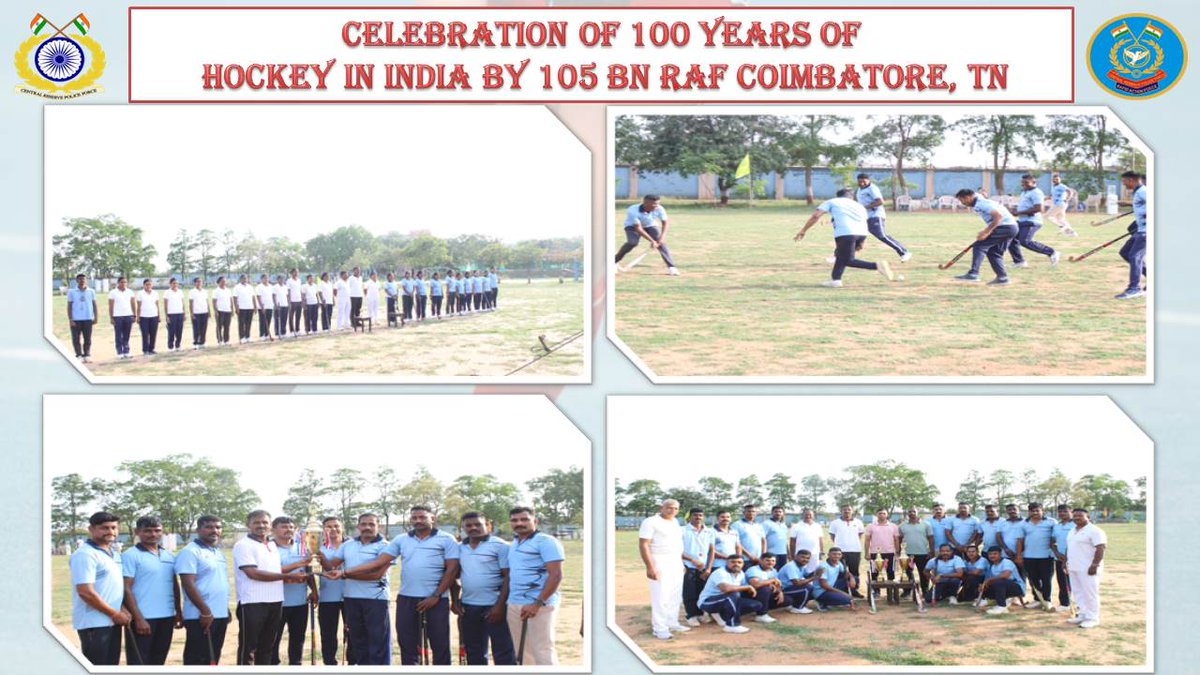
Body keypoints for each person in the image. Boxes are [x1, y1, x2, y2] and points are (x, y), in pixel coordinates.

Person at [336, 506, 460, 665]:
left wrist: (436, 595)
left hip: (436, 598)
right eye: (414, 518)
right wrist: (345, 572)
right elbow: (379, 562)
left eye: (422, 517)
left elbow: (452, 570)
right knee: (407, 644)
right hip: (406, 598)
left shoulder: (447, 539)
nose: (418, 521)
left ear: (433, 518)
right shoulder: (402, 539)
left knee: (439, 643)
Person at [233, 510, 305, 665]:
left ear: (269, 526)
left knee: (267, 647)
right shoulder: (243, 545)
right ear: (248, 525)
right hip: (252, 603)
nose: (261, 525)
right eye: (256, 522)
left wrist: (301, 565)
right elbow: (253, 573)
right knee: (249, 648)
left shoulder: (271, 545)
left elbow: (276, 570)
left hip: (276, 601)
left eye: (265, 522)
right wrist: (289, 577)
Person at [323, 513, 394, 665]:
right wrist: (316, 553)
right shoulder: (348, 545)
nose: (367, 527)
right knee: (357, 641)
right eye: (363, 524)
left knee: (378, 641)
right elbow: (331, 566)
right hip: (351, 599)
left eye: (371, 524)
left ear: (378, 526)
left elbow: (377, 575)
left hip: (376, 600)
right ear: (358, 526)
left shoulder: (386, 546)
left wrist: (344, 574)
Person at [795, 189, 896, 287]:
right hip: (862, 232)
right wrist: (862, 242)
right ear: (851, 197)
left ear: (838, 196)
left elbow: (816, 216)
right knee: (840, 255)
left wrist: (803, 230)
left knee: (848, 260)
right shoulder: (859, 205)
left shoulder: (832, 201)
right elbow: (864, 221)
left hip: (845, 233)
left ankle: (876, 266)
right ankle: (836, 280)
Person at [453, 512, 517, 665]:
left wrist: (500, 606)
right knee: (474, 651)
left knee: (503, 651)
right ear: (463, 528)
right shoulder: (459, 548)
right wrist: (455, 601)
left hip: (494, 607)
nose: (473, 528)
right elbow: (454, 575)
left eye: (478, 524)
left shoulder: (500, 546)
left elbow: (508, 577)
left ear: (488, 525)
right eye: (468, 525)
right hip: (469, 606)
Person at [505, 507, 564, 665]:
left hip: (539, 604)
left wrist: (537, 603)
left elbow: (556, 575)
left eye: (524, 519)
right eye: (515, 520)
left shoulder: (546, 541)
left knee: (543, 649)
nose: (519, 523)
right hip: (515, 603)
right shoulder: (515, 543)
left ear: (535, 521)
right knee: (522, 651)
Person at [70, 512, 130, 665]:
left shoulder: (114, 553)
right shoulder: (85, 555)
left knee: (111, 665)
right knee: (97, 666)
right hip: (94, 623)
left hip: (112, 621)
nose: (110, 532)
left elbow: (111, 587)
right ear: (91, 529)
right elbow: (85, 592)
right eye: (104, 528)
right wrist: (114, 614)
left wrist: (121, 609)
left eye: (113, 528)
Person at [121, 516, 181, 665]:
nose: (153, 534)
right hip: (143, 618)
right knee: (139, 662)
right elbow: (125, 587)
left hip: (167, 617)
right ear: (137, 532)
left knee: (158, 660)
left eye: (157, 531)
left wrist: (178, 611)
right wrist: (139, 618)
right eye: (147, 531)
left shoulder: (168, 555)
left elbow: (174, 584)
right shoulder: (130, 555)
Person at [176, 515, 231, 665]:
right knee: (197, 658)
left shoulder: (217, 552)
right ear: (198, 530)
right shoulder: (190, 552)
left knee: (213, 657)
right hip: (199, 616)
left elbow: (217, 582)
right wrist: (205, 611)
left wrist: (224, 608)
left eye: (218, 527)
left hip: (219, 614)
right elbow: (188, 584)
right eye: (209, 527)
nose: (214, 530)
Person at [638, 499, 688, 640]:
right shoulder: (651, 522)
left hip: (675, 560)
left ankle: (672, 622)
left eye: (676, 508)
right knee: (661, 595)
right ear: (662, 508)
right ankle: (659, 628)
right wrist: (650, 566)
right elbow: (644, 544)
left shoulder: (675, 522)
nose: (672, 511)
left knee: (675, 594)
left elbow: (677, 544)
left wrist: (681, 563)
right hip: (659, 559)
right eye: (669, 508)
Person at [271, 517, 318, 665]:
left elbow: (309, 570)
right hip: (276, 602)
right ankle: (273, 665)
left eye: (291, 527)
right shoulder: (268, 548)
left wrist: (314, 591)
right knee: (273, 638)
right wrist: (295, 570)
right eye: (284, 527)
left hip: (299, 601)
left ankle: (296, 665)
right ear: (274, 530)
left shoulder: (302, 547)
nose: (288, 530)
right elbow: (270, 571)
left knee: (298, 638)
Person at [952, 188, 1020, 285]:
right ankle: (1002, 278)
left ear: (968, 197)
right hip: (1012, 228)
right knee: (994, 252)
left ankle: (973, 274)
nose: (962, 203)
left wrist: (986, 232)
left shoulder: (982, 203)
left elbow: (998, 217)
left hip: (1005, 227)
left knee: (979, 246)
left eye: (962, 200)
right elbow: (978, 195)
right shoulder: (977, 199)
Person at [616, 194, 680, 276]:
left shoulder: (659, 208)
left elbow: (665, 223)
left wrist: (661, 238)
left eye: (657, 204)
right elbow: (638, 228)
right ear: (645, 203)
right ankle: (614, 261)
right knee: (632, 243)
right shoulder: (632, 210)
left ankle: (672, 268)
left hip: (650, 225)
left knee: (662, 244)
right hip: (632, 227)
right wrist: (652, 241)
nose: (656, 206)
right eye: (654, 205)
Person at [314, 517, 348, 666]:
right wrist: (322, 574)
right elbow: (314, 570)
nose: (333, 529)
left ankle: (353, 662)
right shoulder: (317, 548)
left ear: (342, 528)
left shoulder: (352, 545)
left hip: (351, 595)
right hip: (328, 596)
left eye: (336, 526)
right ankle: (330, 664)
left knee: (352, 632)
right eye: (328, 527)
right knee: (328, 634)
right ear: (323, 530)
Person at [1066, 508, 1107, 629]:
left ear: (1088, 517)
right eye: (1075, 516)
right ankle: (1083, 614)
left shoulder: (1094, 531)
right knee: (1078, 592)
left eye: (1080, 516)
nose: (1077, 518)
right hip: (1074, 566)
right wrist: (1065, 562)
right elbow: (1069, 546)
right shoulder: (1072, 530)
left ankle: (1092, 618)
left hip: (1088, 568)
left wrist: (1095, 565)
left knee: (1090, 593)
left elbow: (1101, 548)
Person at [1008, 173, 1060, 268]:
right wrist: (1014, 210)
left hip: (1032, 221)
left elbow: (1038, 209)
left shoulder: (1036, 192)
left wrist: (1018, 213)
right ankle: (1019, 262)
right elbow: (1026, 206)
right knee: (1010, 238)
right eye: (1022, 183)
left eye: (1026, 182)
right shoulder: (1025, 192)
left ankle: (1052, 252)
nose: (1023, 184)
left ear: (1034, 182)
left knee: (1025, 241)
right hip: (1022, 221)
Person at [696, 555, 759, 633]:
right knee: (733, 595)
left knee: (755, 605)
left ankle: (722, 615)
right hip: (707, 601)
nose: (736, 564)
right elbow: (725, 589)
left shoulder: (741, 574)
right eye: (733, 562)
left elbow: (745, 587)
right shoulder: (720, 572)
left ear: (743, 564)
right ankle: (732, 625)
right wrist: (748, 587)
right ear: (727, 563)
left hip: (726, 600)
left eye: (739, 562)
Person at [856, 173, 910, 260]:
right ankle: (840, 255)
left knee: (882, 236)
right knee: (852, 234)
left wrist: (865, 207)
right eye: (860, 182)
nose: (862, 183)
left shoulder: (872, 189)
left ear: (869, 180)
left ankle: (904, 252)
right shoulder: (859, 189)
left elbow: (880, 201)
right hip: (865, 217)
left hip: (876, 216)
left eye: (864, 181)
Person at [1115, 170, 1148, 300]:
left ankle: (1134, 288)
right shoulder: (1139, 192)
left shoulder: (1143, 192)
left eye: (1124, 182)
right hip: (1140, 230)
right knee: (1125, 253)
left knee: (1135, 256)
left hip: (1146, 231)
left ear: (1131, 181)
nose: (1124, 185)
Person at [680, 508, 714, 627]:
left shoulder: (709, 531)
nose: (698, 517)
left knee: (701, 591)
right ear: (690, 516)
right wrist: (692, 560)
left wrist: (709, 568)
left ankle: (700, 613)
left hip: (703, 568)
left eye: (700, 515)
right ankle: (691, 615)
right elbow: (677, 550)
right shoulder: (683, 530)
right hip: (688, 566)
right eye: (695, 515)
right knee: (689, 592)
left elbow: (712, 551)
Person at [1021, 502, 1057, 611]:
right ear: (1029, 512)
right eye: (1032, 511)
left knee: (1046, 580)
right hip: (1029, 556)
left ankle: (1047, 600)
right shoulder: (1024, 523)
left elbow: (1054, 538)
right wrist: (1019, 554)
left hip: (1046, 556)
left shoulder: (1051, 522)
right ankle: (1037, 599)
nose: (1035, 513)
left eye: (1037, 510)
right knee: (1033, 580)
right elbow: (1020, 540)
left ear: (1042, 511)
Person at [828, 505, 865, 598]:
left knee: (854, 571)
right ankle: (841, 591)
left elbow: (860, 535)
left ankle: (854, 590)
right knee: (840, 571)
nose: (847, 511)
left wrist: (852, 543)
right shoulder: (835, 523)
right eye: (844, 510)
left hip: (855, 550)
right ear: (841, 511)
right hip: (839, 552)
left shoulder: (858, 522)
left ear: (852, 511)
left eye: (849, 509)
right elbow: (832, 536)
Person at [979, 546, 1026, 615]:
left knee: (1000, 581)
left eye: (995, 554)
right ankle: (986, 600)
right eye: (990, 554)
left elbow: (1005, 575)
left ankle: (1001, 606)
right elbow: (988, 580)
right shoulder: (992, 566)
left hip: (1016, 587)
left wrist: (989, 580)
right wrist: (983, 585)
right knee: (986, 585)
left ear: (1000, 554)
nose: (992, 556)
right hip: (1004, 587)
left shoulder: (1006, 562)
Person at [899, 507, 934, 597]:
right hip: (907, 554)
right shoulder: (903, 526)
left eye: (914, 511)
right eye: (909, 511)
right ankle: (907, 590)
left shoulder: (926, 524)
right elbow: (899, 539)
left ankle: (925, 590)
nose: (911, 513)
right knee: (907, 572)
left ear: (918, 513)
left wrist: (931, 550)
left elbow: (930, 538)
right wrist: (899, 551)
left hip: (922, 553)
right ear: (907, 514)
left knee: (923, 573)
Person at [744, 553, 785, 622]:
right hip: (750, 594)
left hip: (766, 594)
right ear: (760, 561)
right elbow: (755, 585)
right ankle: (761, 615)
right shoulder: (753, 570)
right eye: (767, 560)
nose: (770, 563)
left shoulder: (773, 570)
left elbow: (777, 584)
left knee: (787, 600)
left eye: (773, 561)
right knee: (764, 589)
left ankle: (761, 608)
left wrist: (780, 592)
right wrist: (771, 581)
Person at [864, 509, 900, 588]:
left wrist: (897, 552)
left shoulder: (893, 526)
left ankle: (891, 591)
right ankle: (876, 591)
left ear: (887, 515)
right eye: (880, 513)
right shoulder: (871, 526)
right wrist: (866, 553)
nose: (882, 515)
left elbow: (896, 540)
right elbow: (867, 540)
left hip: (890, 553)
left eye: (884, 513)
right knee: (874, 572)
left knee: (891, 572)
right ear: (876, 514)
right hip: (875, 553)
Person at [67, 274, 98, 362]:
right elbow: (69, 306)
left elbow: (94, 305)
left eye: (83, 279)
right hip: (76, 319)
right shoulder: (72, 291)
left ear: (86, 280)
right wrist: (70, 319)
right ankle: (79, 355)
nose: (82, 281)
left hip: (88, 318)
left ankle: (87, 355)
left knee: (87, 338)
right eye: (80, 279)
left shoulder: (91, 291)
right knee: (76, 338)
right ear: (77, 281)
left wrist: (96, 317)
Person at [1050, 504, 1074, 613]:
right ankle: (1064, 603)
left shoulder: (1076, 524)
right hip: (1059, 558)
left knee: (1076, 581)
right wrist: (1056, 553)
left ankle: (1079, 603)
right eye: (1060, 512)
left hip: (1075, 557)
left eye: (1065, 511)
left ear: (1071, 511)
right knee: (1062, 581)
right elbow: (1052, 542)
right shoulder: (1057, 526)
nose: (1062, 514)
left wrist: (1067, 556)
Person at [787, 508, 824, 577]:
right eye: (806, 514)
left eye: (810, 515)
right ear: (802, 515)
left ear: (813, 516)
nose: (808, 516)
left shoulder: (817, 526)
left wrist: (821, 552)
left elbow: (820, 540)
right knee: (801, 572)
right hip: (801, 554)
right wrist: (792, 555)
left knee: (814, 572)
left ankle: (813, 586)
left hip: (815, 554)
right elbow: (792, 542)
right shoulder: (796, 526)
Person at [107, 277, 136, 359]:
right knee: (118, 335)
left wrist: (134, 315)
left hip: (128, 315)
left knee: (127, 334)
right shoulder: (113, 292)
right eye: (122, 282)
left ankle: (126, 351)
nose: (123, 284)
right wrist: (111, 317)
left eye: (125, 282)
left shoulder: (130, 292)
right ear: (118, 283)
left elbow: (133, 304)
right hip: (117, 316)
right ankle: (119, 352)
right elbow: (110, 306)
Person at [730, 504, 766, 570]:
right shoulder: (737, 525)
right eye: (749, 511)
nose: (751, 513)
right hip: (745, 559)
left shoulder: (759, 525)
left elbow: (763, 541)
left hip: (759, 559)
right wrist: (749, 556)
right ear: (744, 513)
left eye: (753, 511)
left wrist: (763, 556)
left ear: (756, 513)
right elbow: (736, 543)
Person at [135, 278, 161, 356]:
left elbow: (157, 305)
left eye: (150, 284)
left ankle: (151, 349)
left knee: (153, 333)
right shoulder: (140, 293)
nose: (148, 286)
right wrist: (138, 317)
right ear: (144, 285)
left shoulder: (155, 293)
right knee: (145, 334)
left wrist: (159, 315)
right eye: (147, 284)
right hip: (143, 317)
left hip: (154, 316)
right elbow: (138, 306)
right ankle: (145, 350)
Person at [159, 277, 185, 353]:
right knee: (171, 331)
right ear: (170, 284)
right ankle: (170, 347)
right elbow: (165, 305)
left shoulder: (180, 292)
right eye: (173, 283)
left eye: (176, 283)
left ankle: (178, 345)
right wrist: (166, 316)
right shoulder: (167, 292)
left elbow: (182, 303)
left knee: (179, 331)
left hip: (180, 313)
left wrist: (184, 313)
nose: (175, 284)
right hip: (171, 314)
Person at [188, 277, 210, 349]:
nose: (199, 283)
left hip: (204, 312)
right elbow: (190, 303)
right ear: (195, 283)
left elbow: (207, 302)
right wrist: (192, 313)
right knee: (196, 329)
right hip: (196, 313)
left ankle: (202, 342)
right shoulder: (192, 291)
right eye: (197, 282)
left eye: (200, 282)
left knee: (203, 328)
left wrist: (209, 311)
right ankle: (196, 343)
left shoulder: (204, 291)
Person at [211, 276, 233, 346]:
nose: (224, 283)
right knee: (219, 326)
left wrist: (232, 309)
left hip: (228, 310)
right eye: (222, 281)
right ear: (219, 282)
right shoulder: (216, 291)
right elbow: (214, 301)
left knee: (227, 326)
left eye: (224, 281)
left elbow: (230, 300)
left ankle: (226, 340)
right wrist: (215, 311)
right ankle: (219, 340)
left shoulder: (228, 290)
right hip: (220, 311)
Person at [255, 274, 275, 342]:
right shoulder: (259, 287)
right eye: (264, 278)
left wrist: (273, 304)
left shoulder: (270, 286)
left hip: (270, 306)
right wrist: (261, 306)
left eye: (267, 278)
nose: (266, 279)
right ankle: (262, 335)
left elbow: (272, 296)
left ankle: (267, 334)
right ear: (261, 279)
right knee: (262, 321)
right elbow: (258, 297)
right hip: (262, 307)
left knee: (268, 321)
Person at [287, 268, 304, 336]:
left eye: (297, 272)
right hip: (292, 301)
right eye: (295, 272)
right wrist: (289, 301)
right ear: (292, 273)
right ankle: (291, 331)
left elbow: (300, 290)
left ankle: (297, 329)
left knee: (298, 316)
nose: (297, 273)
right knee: (291, 316)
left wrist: (302, 300)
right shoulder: (289, 281)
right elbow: (288, 291)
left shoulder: (299, 280)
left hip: (299, 300)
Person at [272, 275, 289, 339]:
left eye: (283, 279)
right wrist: (275, 304)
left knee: (284, 319)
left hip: (285, 304)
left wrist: (288, 303)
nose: (282, 280)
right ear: (278, 280)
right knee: (277, 320)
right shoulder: (275, 287)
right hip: (278, 305)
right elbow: (273, 296)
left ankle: (283, 332)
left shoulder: (285, 287)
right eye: (280, 279)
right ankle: (277, 333)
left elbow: (287, 296)